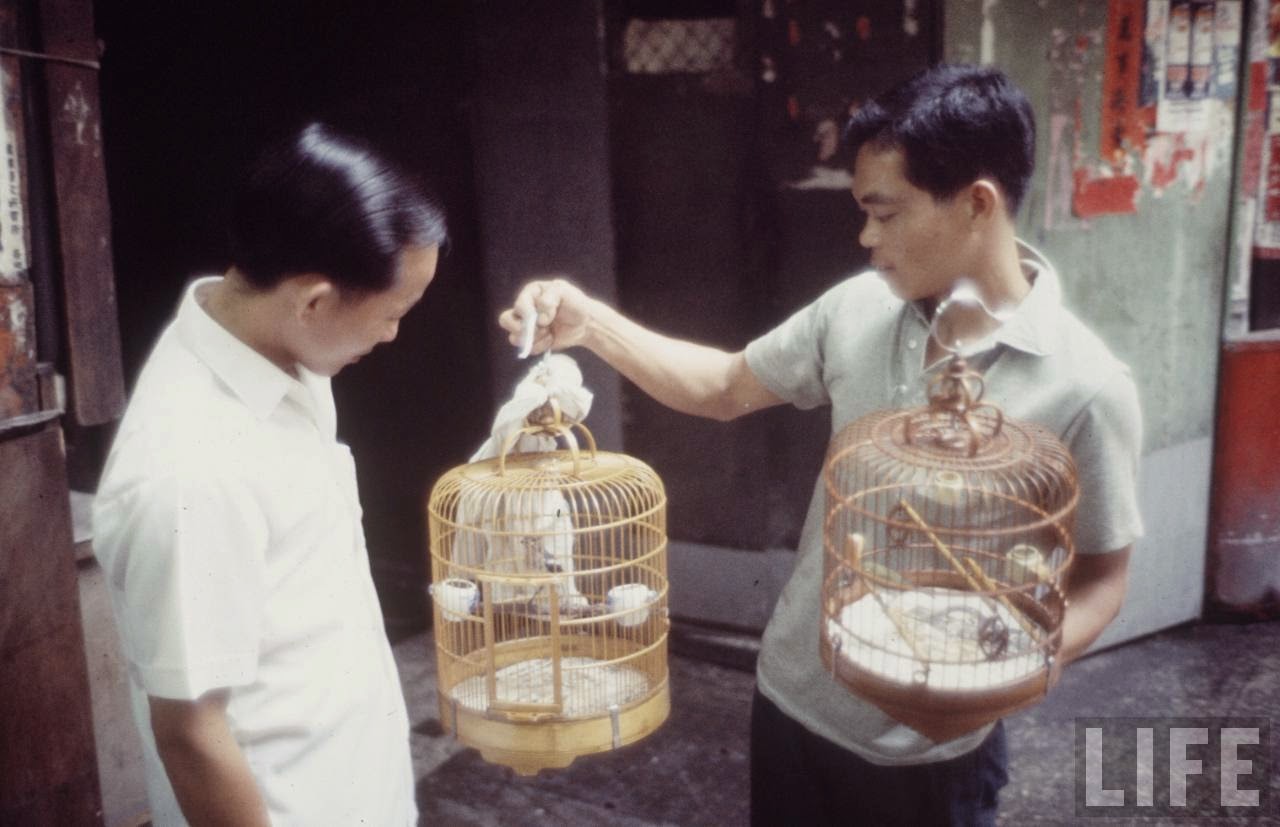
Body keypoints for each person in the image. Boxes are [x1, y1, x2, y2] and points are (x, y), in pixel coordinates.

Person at [499, 65, 1142, 826]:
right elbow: (723, 387)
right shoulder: (858, 309)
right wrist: (592, 324)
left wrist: (1007, 676)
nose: (866, 238)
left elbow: (1103, 576)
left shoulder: (1088, 387)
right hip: (792, 701)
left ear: (976, 204)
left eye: (886, 213)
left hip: (932, 755)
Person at [92, 122, 447, 826]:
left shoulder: (275, 351)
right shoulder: (191, 471)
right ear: (313, 301)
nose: (393, 334)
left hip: (357, 785)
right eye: (394, 314)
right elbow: (190, 735)